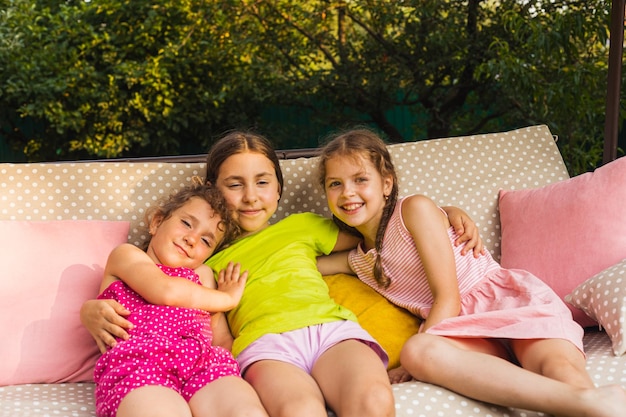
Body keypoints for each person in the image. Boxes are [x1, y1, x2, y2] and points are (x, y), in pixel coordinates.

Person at [81, 130, 483, 417]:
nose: (251, 196)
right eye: (234, 185)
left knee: (373, 400)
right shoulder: (204, 260)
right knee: (299, 409)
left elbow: (375, 230)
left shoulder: (305, 227)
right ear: (211, 191)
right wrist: (90, 309)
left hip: (330, 330)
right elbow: (164, 297)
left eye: (262, 183)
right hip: (265, 347)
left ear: (278, 190)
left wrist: (441, 213)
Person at [315, 127, 626, 417]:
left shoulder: (413, 210)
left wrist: (449, 211)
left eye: (360, 179)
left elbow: (447, 298)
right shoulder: (359, 260)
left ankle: (591, 400)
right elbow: (301, 263)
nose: (347, 193)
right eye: (335, 184)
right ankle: (582, 402)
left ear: (386, 183)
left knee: (561, 372)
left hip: (510, 304)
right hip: (466, 332)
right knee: (418, 351)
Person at [91, 179, 268, 417]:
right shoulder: (127, 255)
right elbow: (165, 291)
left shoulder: (202, 275)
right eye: (186, 223)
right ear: (156, 222)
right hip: (140, 364)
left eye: (206, 240)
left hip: (203, 365)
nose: (192, 239)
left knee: (245, 411)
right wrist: (228, 298)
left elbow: (221, 338)